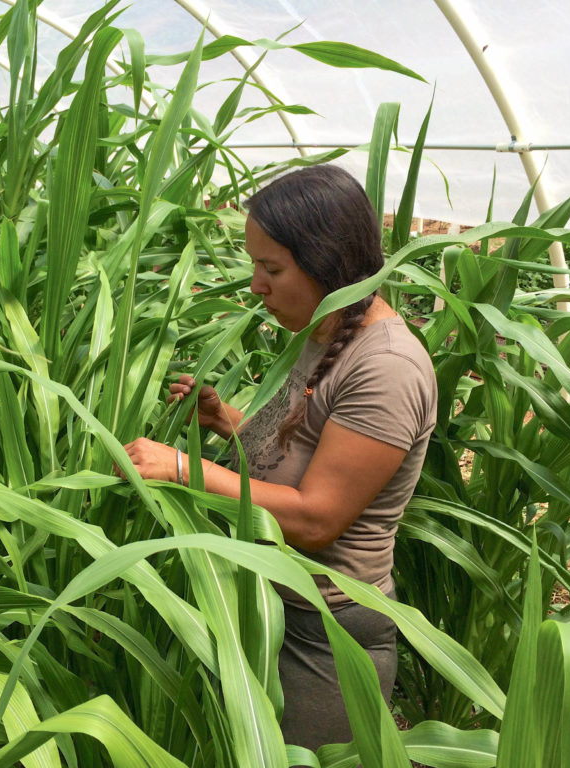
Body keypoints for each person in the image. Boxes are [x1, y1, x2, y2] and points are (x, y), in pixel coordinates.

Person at [121, 164, 437, 751]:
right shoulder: (322, 334)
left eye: (272, 269)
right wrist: (229, 425)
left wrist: (183, 468)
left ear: (328, 263)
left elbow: (317, 517)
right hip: (272, 605)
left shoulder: (385, 367)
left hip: (324, 633)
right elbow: (297, 455)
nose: (256, 286)